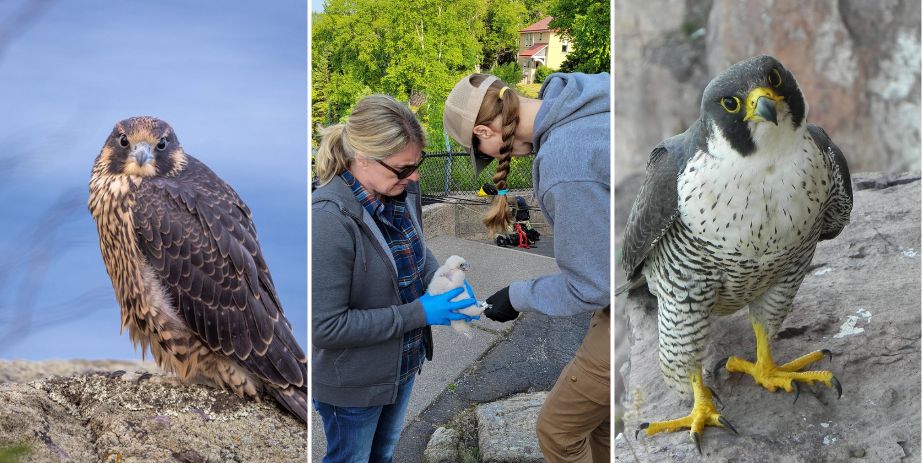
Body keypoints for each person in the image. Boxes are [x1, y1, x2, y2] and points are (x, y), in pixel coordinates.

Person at [443, 73, 611, 462]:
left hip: (647, 305)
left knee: (558, 431)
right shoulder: (587, 95)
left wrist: (515, 296)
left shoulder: (564, 162)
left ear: (486, 131)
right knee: (601, 419)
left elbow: (594, 285)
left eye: (482, 152)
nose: (489, 159)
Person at [312, 94, 478, 463]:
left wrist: (443, 279)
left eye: (416, 164)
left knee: (383, 455)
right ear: (362, 158)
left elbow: (417, 251)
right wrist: (422, 313)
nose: (415, 175)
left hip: (402, 366)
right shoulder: (327, 219)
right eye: (403, 169)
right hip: (352, 387)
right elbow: (325, 328)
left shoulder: (404, 190)